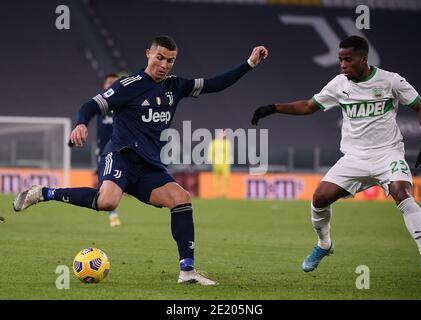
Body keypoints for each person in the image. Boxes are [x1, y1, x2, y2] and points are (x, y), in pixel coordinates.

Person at [13, 35, 268, 285]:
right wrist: (81, 123)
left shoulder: (175, 86)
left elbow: (215, 84)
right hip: (121, 156)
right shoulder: (128, 85)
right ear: (148, 54)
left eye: (170, 60)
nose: (164, 65)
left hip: (149, 166)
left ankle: (187, 272)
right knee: (107, 201)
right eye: (159, 58)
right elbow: (91, 105)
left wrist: (250, 63)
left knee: (181, 199)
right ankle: (44, 193)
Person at [251, 35, 421, 280]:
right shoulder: (338, 84)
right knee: (319, 197)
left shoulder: (390, 81)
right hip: (354, 157)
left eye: (348, 60)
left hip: (387, 154)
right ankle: (324, 245)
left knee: (402, 193)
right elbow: (308, 106)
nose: (343, 65)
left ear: (363, 59)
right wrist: (274, 108)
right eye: (340, 60)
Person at [96, 73, 122, 227]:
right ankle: (112, 213)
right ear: (104, 86)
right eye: (109, 82)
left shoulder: (124, 102)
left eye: (115, 82)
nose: (112, 84)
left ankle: (111, 209)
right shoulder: (101, 102)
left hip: (120, 148)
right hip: (104, 149)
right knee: (104, 182)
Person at [207, 130, 232, 198]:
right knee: (216, 178)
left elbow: (229, 152)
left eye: (222, 134)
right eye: (219, 134)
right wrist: (210, 160)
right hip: (216, 163)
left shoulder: (226, 143)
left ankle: (225, 193)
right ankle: (217, 193)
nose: (220, 135)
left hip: (225, 163)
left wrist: (230, 160)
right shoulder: (213, 143)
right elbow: (210, 152)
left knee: (226, 177)